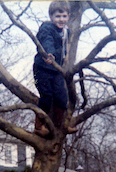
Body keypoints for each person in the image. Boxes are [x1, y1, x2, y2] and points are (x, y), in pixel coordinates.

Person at [33, 1, 77, 137]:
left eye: (64, 16)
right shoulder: (46, 28)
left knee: (62, 97)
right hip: (42, 68)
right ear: (51, 17)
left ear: (68, 16)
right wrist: (49, 53)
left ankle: (59, 126)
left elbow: (64, 47)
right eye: (58, 16)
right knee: (46, 96)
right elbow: (47, 40)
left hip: (56, 70)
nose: (61, 19)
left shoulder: (66, 31)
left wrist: (64, 59)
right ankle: (38, 127)